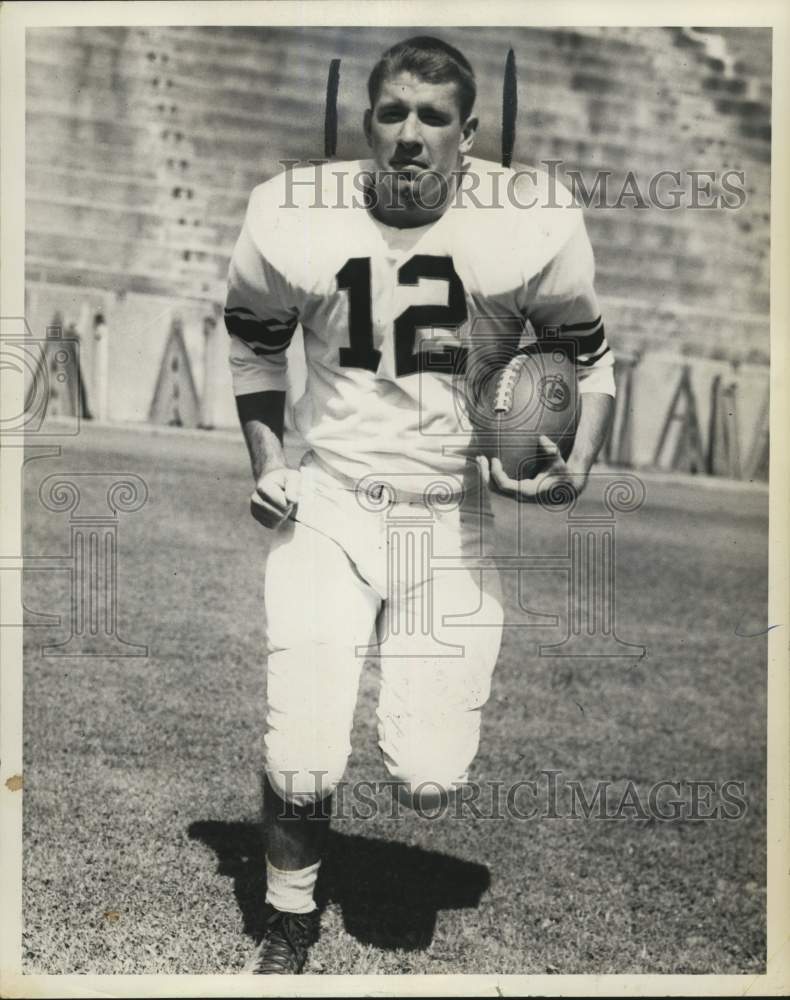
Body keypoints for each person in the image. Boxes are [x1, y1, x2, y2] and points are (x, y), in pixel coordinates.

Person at [224, 35, 615, 974]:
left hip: (447, 512)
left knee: (430, 780)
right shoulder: (294, 215)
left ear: (467, 135)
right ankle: (289, 911)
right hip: (329, 501)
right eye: (392, 113)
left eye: (432, 118)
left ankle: (363, 795)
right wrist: (269, 460)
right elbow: (253, 345)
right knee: (305, 746)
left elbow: (592, 360)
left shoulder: (527, 224)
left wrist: (575, 466)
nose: (409, 135)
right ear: (368, 121)